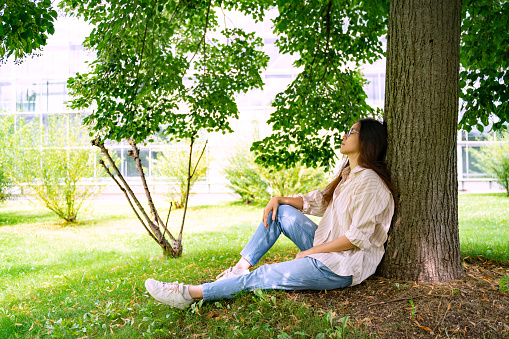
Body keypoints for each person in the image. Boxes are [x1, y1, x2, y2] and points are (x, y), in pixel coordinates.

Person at [145, 118, 396, 310]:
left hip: (342, 265)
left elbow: (356, 238)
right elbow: (320, 201)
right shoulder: (348, 176)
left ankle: (187, 294)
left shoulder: (370, 182)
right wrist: (279, 199)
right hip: (328, 249)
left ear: (367, 142)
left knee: (266, 275)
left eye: (352, 132)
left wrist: (310, 252)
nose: (344, 135)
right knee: (282, 212)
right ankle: (240, 268)